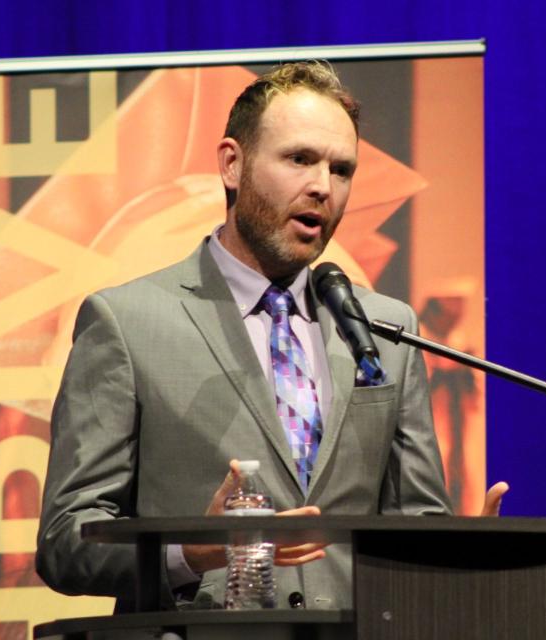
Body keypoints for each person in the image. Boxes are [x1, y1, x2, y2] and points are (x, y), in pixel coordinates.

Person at [36, 61, 507, 612]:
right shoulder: (126, 322)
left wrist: (459, 556)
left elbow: (414, 523)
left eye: (341, 169)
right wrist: (191, 551)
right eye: (299, 159)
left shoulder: (384, 328)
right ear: (232, 164)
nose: (321, 187)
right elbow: (67, 542)